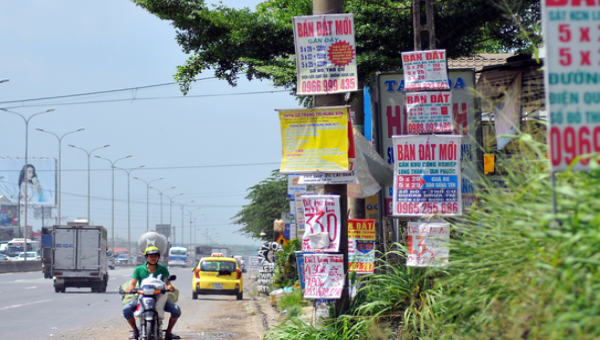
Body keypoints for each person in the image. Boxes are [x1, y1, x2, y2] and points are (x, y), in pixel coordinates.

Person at [123, 246, 181, 340]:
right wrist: (129, 289)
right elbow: (133, 283)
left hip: (160, 298)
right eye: (150, 256)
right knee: (126, 309)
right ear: (146, 257)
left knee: (176, 310)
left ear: (158, 257)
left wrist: (170, 286)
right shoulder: (139, 269)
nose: (153, 258)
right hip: (142, 298)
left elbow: (167, 281)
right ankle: (135, 331)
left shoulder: (163, 269)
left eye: (155, 255)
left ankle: (169, 333)